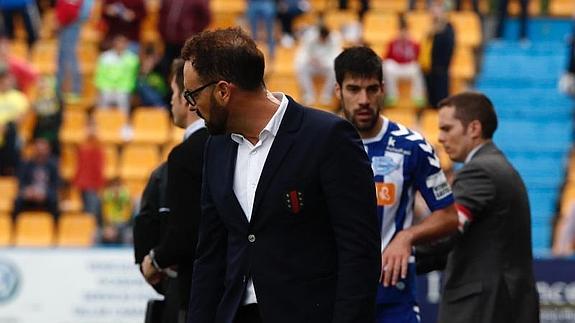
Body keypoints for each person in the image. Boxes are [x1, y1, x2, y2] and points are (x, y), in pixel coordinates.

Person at [184, 28, 380, 323]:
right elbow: (210, 255)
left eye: (193, 93)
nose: (191, 105)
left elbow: (359, 252)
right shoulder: (216, 147)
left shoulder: (327, 137)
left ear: (223, 91)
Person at [334, 46, 458, 323]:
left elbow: (449, 216)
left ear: (383, 89)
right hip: (333, 296)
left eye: (371, 89)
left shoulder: (413, 146)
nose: (363, 99)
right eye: (353, 89)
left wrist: (407, 237)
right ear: (338, 91)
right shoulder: (317, 144)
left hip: (394, 299)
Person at [432, 91, 539, 323]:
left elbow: (445, 231)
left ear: (474, 129)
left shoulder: (479, 171)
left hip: (483, 309)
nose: (440, 138)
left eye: (447, 128)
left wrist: (400, 248)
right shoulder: (498, 166)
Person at [141, 59, 208, 323]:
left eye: (173, 94)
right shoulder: (231, 144)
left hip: (198, 292)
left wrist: (155, 261)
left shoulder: (185, 156)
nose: (170, 102)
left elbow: (185, 231)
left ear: (187, 99)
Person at [382, 15, 426, 108]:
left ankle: (417, 97)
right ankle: (392, 96)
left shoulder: (414, 43)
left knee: (417, 67)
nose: (403, 33)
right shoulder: (392, 42)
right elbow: (386, 58)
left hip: (408, 68)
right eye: (401, 31)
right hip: (396, 68)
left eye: (405, 31)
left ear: (408, 31)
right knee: (386, 65)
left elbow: (418, 58)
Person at [12, 138, 60, 221]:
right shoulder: (26, 164)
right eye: (38, 150)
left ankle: (56, 228)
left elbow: (56, 184)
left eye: (43, 150)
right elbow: (21, 182)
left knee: (54, 201)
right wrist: (28, 191)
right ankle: (15, 226)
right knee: (17, 201)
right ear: (34, 150)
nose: (40, 152)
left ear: (48, 150)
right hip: (30, 193)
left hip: (46, 194)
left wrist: (45, 193)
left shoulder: (53, 165)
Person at [294, 24, 341, 105]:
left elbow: (336, 56)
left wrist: (323, 62)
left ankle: (327, 95)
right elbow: (302, 54)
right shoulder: (309, 36)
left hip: (326, 66)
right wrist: (310, 60)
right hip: (311, 65)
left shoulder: (335, 38)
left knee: (335, 69)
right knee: (301, 67)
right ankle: (309, 95)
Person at [421, 3, 454, 108]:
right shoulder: (430, 29)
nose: (434, 14)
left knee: (441, 100)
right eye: (433, 12)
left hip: (441, 70)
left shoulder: (448, 28)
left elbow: (448, 48)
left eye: (437, 12)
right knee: (430, 101)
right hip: (428, 70)